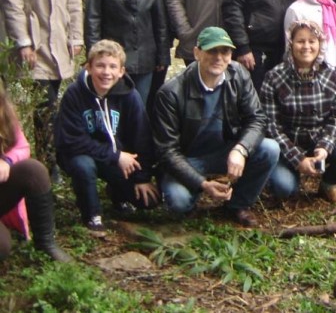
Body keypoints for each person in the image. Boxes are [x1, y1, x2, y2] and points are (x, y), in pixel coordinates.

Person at [153, 27, 280, 227]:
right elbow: (167, 151)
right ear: (197, 53)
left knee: (270, 148)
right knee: (178, 202)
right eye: (212, 51)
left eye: (225, 52)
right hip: (189, 159)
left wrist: (241, 149)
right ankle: (195, 195)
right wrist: (202, 184)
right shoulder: (171, 93)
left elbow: (257, 118)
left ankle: (238, 205)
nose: (219, 57)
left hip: (224, 151)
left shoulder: (238, 75)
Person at [3, 0, 83, 181]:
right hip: (33, 43)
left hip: (60, 39)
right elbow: (11, 2)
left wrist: (76, 37)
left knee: (54, 102)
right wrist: (22, 41)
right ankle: (47, 165)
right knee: (43, 105)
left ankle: (52, 160)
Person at [55, 40, 159, 231]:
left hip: (115, 156)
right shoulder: (74, 94)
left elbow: (141, 136)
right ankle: (92, 215)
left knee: (148, 202)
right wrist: (116, 156)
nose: (106, 72)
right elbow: (71, 140)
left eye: (112, 67)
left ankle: (117, 194)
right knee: (83, 166)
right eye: (100, 66)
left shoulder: (130, 96)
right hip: (80, 153)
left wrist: (142, 177)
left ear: (121, 71)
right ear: (89, 67)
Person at [262, 21, 336, 205]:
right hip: (289, 144)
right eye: (301, 41)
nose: (306, 46)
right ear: (291, 43)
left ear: (320, 44)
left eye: (312, 41)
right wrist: (297, 158)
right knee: (284, 188)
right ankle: (290, 176)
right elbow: (271, 126)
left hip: (320, 141)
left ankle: (328, 185)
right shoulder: (274, 77)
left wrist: (325, 146)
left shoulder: (331, 74)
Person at [0, 89, 71, 261]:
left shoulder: (4, 113)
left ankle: (46, 244)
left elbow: (22, 147)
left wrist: (6, 160)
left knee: (34, 171)